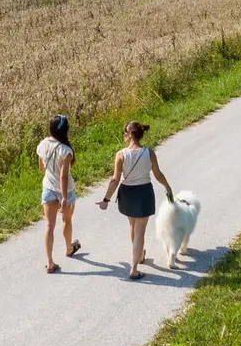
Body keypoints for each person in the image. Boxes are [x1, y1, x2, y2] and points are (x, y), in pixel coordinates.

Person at [97, 120, 172, 280]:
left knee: (133, 226)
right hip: (144, 192)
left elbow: (115, 180)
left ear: (130, 134)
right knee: (140, 231)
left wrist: (106, 199)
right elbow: (157, 174)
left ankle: (139, 256)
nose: (124, 135)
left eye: (125, 133)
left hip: (127, 193)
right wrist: (167, 186)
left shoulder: (121, 154)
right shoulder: (149, 152)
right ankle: (134, 268)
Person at [36, 114, 81, 273]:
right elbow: (63, 176)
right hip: (65, 191)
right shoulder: (66, 151)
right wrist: (63, 198)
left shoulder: (42, 144)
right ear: (66, 131)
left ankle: (49, 262)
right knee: (67, 221)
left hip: (48, 188)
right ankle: (69, 248)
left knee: (49, 225)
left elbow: (42, 168)